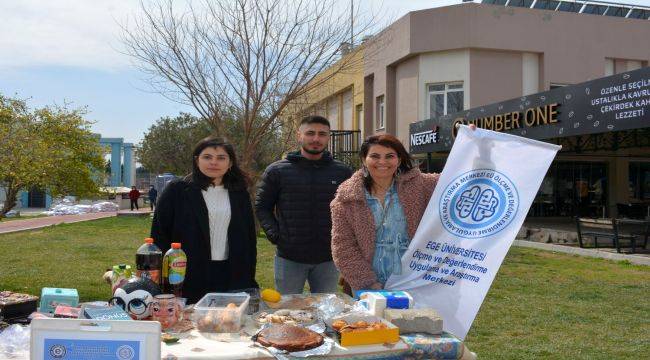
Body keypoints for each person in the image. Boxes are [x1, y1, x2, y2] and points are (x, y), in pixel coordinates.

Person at [151, 136, 258, 304]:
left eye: (221, 158)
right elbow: (159, 234)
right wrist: (159, 275)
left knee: (229, 324)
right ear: (197, 160)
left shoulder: (239, 193)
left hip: (231, 273)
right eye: (207, 157)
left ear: (230, 163)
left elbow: (249, 238)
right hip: (188, 274)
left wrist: (250, 277)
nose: (213, 162)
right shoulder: (178, 190)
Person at [330, 134, 440, 293]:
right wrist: (369, 284)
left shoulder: (421, 185)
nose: (382, 162)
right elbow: (343, 247)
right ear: (364, 160)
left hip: (414, 282)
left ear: (399, 160)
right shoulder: (346, 200)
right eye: (374, 156)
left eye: (390, 156)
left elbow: (458, 178)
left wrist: (475, 142)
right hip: (368, 286)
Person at [255, 115, 353, 294]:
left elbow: (352, 210)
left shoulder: (343, 171)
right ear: (299, 136)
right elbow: (262, 207)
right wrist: (275, 235)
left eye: (322, 134)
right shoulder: (277, 171)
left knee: (325, 309)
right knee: (288, 311)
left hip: (329, 258)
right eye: (310, 133)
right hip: (290, 257)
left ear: (328, 137)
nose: (316, 139)